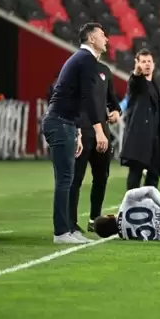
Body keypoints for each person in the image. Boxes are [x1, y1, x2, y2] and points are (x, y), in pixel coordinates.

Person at [42, 22, 110, 244]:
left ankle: (68, 228)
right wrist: (99, 131)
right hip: (60, 122)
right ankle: (62, 232)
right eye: (102, 35)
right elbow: (88, 100)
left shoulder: (81, 59)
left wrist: (78, 132)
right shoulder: (86, 59)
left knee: (67, 179)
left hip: (66, 123)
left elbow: (78, 99)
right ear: (91, 38)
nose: (106, 39)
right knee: (65, 180)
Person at [68, 45, 120, 239]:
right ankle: (70, 222)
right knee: (76, 178)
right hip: (82, 130)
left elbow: (112, 100)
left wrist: (116, 111)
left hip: (103, 133)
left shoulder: (105, 70)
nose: (106, 40)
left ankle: (94, 218)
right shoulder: (77, 69)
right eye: (101, 35)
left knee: (101, 177)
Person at [120, 49, 160, 190]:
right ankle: (131, 201)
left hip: (155, 138)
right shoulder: (138, 83)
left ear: (153, 64)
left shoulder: (154, 84)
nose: (146, 64)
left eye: (149, 61)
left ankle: (148, 201)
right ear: (138, 64)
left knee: (155, 172)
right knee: (136, 172)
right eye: (143, 61)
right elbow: (134, 81)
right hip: (139, 137)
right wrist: (136, 72)